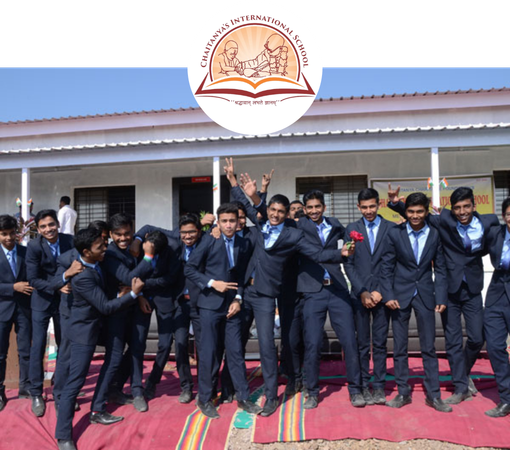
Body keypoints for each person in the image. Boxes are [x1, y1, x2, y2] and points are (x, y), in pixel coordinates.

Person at [224, 157, 354, 417]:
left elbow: (317, 253)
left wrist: (340, 254)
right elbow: (250, 206)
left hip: (264, 295)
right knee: (234, 343)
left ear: (287, 215)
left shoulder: (293, 235)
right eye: (272, 210)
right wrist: (234, 183)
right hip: (243, 292)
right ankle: (231, 390)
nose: (275, 215)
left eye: (281, 212)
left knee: (266, 345)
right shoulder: (261, 222)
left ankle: (272, 397)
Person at [388, 185, 499, 403]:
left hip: (473, 287)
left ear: (474, 205)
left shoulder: (489, 223)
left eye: (466, 206)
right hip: (449, 288)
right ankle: (460, 386)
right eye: (457, 208)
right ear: (453, 209)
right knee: (453, 340)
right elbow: (417, 215)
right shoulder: (444, 221)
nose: (462, 211)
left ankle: (462, 373)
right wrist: (395, 204)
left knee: (477, 337)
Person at [54, 227, 144, 450]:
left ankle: (97, 409)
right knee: (75, 382)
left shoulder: (96, 263)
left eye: (104, 243)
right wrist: (133, 294)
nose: (105, 248)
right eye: (100, 247)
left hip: (98, 326)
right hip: (83, 332)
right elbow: (104, 306)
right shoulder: (83, 276)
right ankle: (63, 435)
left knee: (115, 356)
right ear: (86, 252)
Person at [184, 202, 262, 418]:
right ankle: (205, 398)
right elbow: (189, 268)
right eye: (224, 221)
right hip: (209, 305)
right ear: (218, 222)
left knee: (236, 352)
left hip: (232, 307)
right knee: (208, 353)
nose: (228, 225)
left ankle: (243, 397)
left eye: (232, 221)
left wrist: (238, 298)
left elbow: (241, 275)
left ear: (238, 223)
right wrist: (212, 283)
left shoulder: (243, 243)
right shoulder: (209, 240)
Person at [380, 192, 451, 412]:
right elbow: (386, 268)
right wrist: (388, 295)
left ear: (426, 212)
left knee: (429, 347)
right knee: (400, 347)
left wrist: (441, 296)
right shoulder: (395, 233)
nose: (415, 216)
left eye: (420, 211)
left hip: (426, 295)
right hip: (399, 296)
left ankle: (434, 395)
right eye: (411, 211)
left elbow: (440, 269)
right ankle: (403, 392)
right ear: (406, 211)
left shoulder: (435, 234)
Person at [294, 189, 364, 410]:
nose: (314, 211)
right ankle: (313, 392)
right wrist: (340, 253)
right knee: (313, 343)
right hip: (312, 291)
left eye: (318, 206)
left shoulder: (335, 224)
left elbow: (352, 236)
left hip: (337, 289)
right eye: (310, 207)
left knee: (349, 341)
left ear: (324, 207)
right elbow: (315, 254)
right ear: (305, 209)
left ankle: (356, 390)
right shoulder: (298, 228)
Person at [89, 213, 155, 419]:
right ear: (110, 234)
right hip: (116, 311)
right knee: (114, 356)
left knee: (137, 349)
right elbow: (130, 278)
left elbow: (149, 227)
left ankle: (135, 391)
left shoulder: (135, 243)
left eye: (127, 233)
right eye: (118, 234)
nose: (123, 238)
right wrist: (148, 256)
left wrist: (138, 238)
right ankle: (99, 404)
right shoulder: (109, 254)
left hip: (138, 308)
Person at [344, 188, 395, 405]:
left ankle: (379, 386)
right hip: (360, 296)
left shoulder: (391, 228)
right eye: (364, 207)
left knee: (381, 343)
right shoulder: (351, 229)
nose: (368, 211)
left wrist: (380, 291)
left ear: (379, 204)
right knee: (362, 343)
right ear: (358, 207)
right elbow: (348, 263)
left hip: (382, 294)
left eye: (372, 206)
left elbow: (393, 263)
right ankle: (363, 385)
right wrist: (363, 291)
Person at [26, 209, 75, 417]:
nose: (49, 229)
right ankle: (36, 392)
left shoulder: (69, 241)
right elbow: (33, 280)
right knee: (38, 346)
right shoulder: (34, 246)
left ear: (58, 223)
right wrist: (58, 285)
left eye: (51, 224)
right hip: (42, 301)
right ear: (38, 229)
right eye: (43, 226)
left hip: (65, 301)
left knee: (65, 346)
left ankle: (62, 392)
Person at [128, 230, 180, 412]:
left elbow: (170, 278)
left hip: (164, 299)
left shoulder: (172, 250)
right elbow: (132, 276)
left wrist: (144, 284)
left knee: (165, 343)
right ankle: (136, 389)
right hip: (141, 299)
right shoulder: (138, 248)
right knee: (138, 343)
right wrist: (140, 294)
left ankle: (153, 380)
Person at [0, 215, 34, 411]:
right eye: (4, 234)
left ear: (17, 233)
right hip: (2, 310)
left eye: (11, 233)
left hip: (24, 309)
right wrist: (13, 287)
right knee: (0, 354)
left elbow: (33, 277)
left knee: (26, 351)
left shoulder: (25, 252)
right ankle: (0, 392)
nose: (8, 238)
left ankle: (26, 387)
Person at [480, 197, 510, 418]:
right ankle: (506, 399)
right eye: (509, 214)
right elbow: (469, 225)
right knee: (495, 347)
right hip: (497, 292)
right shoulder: (495, 233)